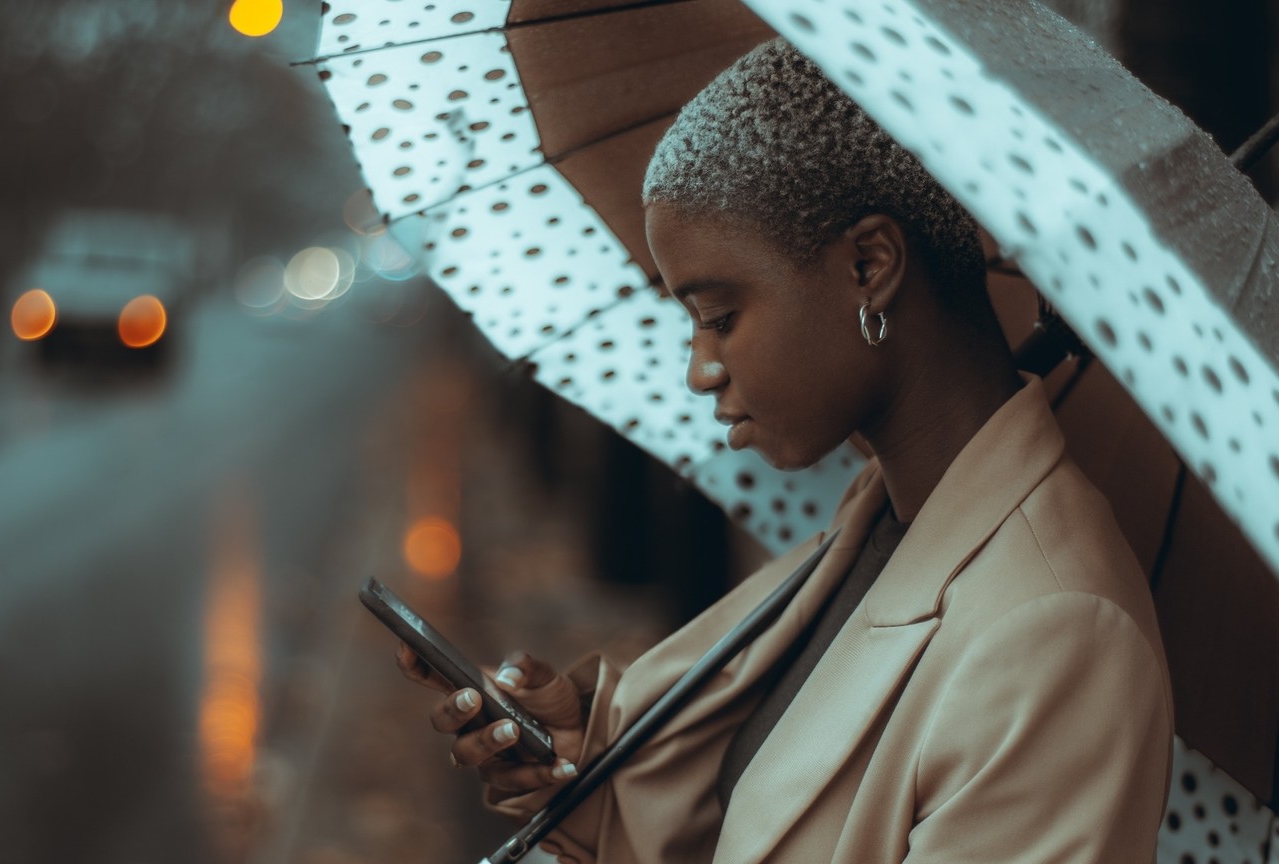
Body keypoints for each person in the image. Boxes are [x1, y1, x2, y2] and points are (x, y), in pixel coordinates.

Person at [397, 36, 1173, 863]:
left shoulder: (1053, 634)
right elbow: (775, 807)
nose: (699, 370)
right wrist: (591, 765)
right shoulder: (876, 523)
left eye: (721, 316)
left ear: (869, 265)